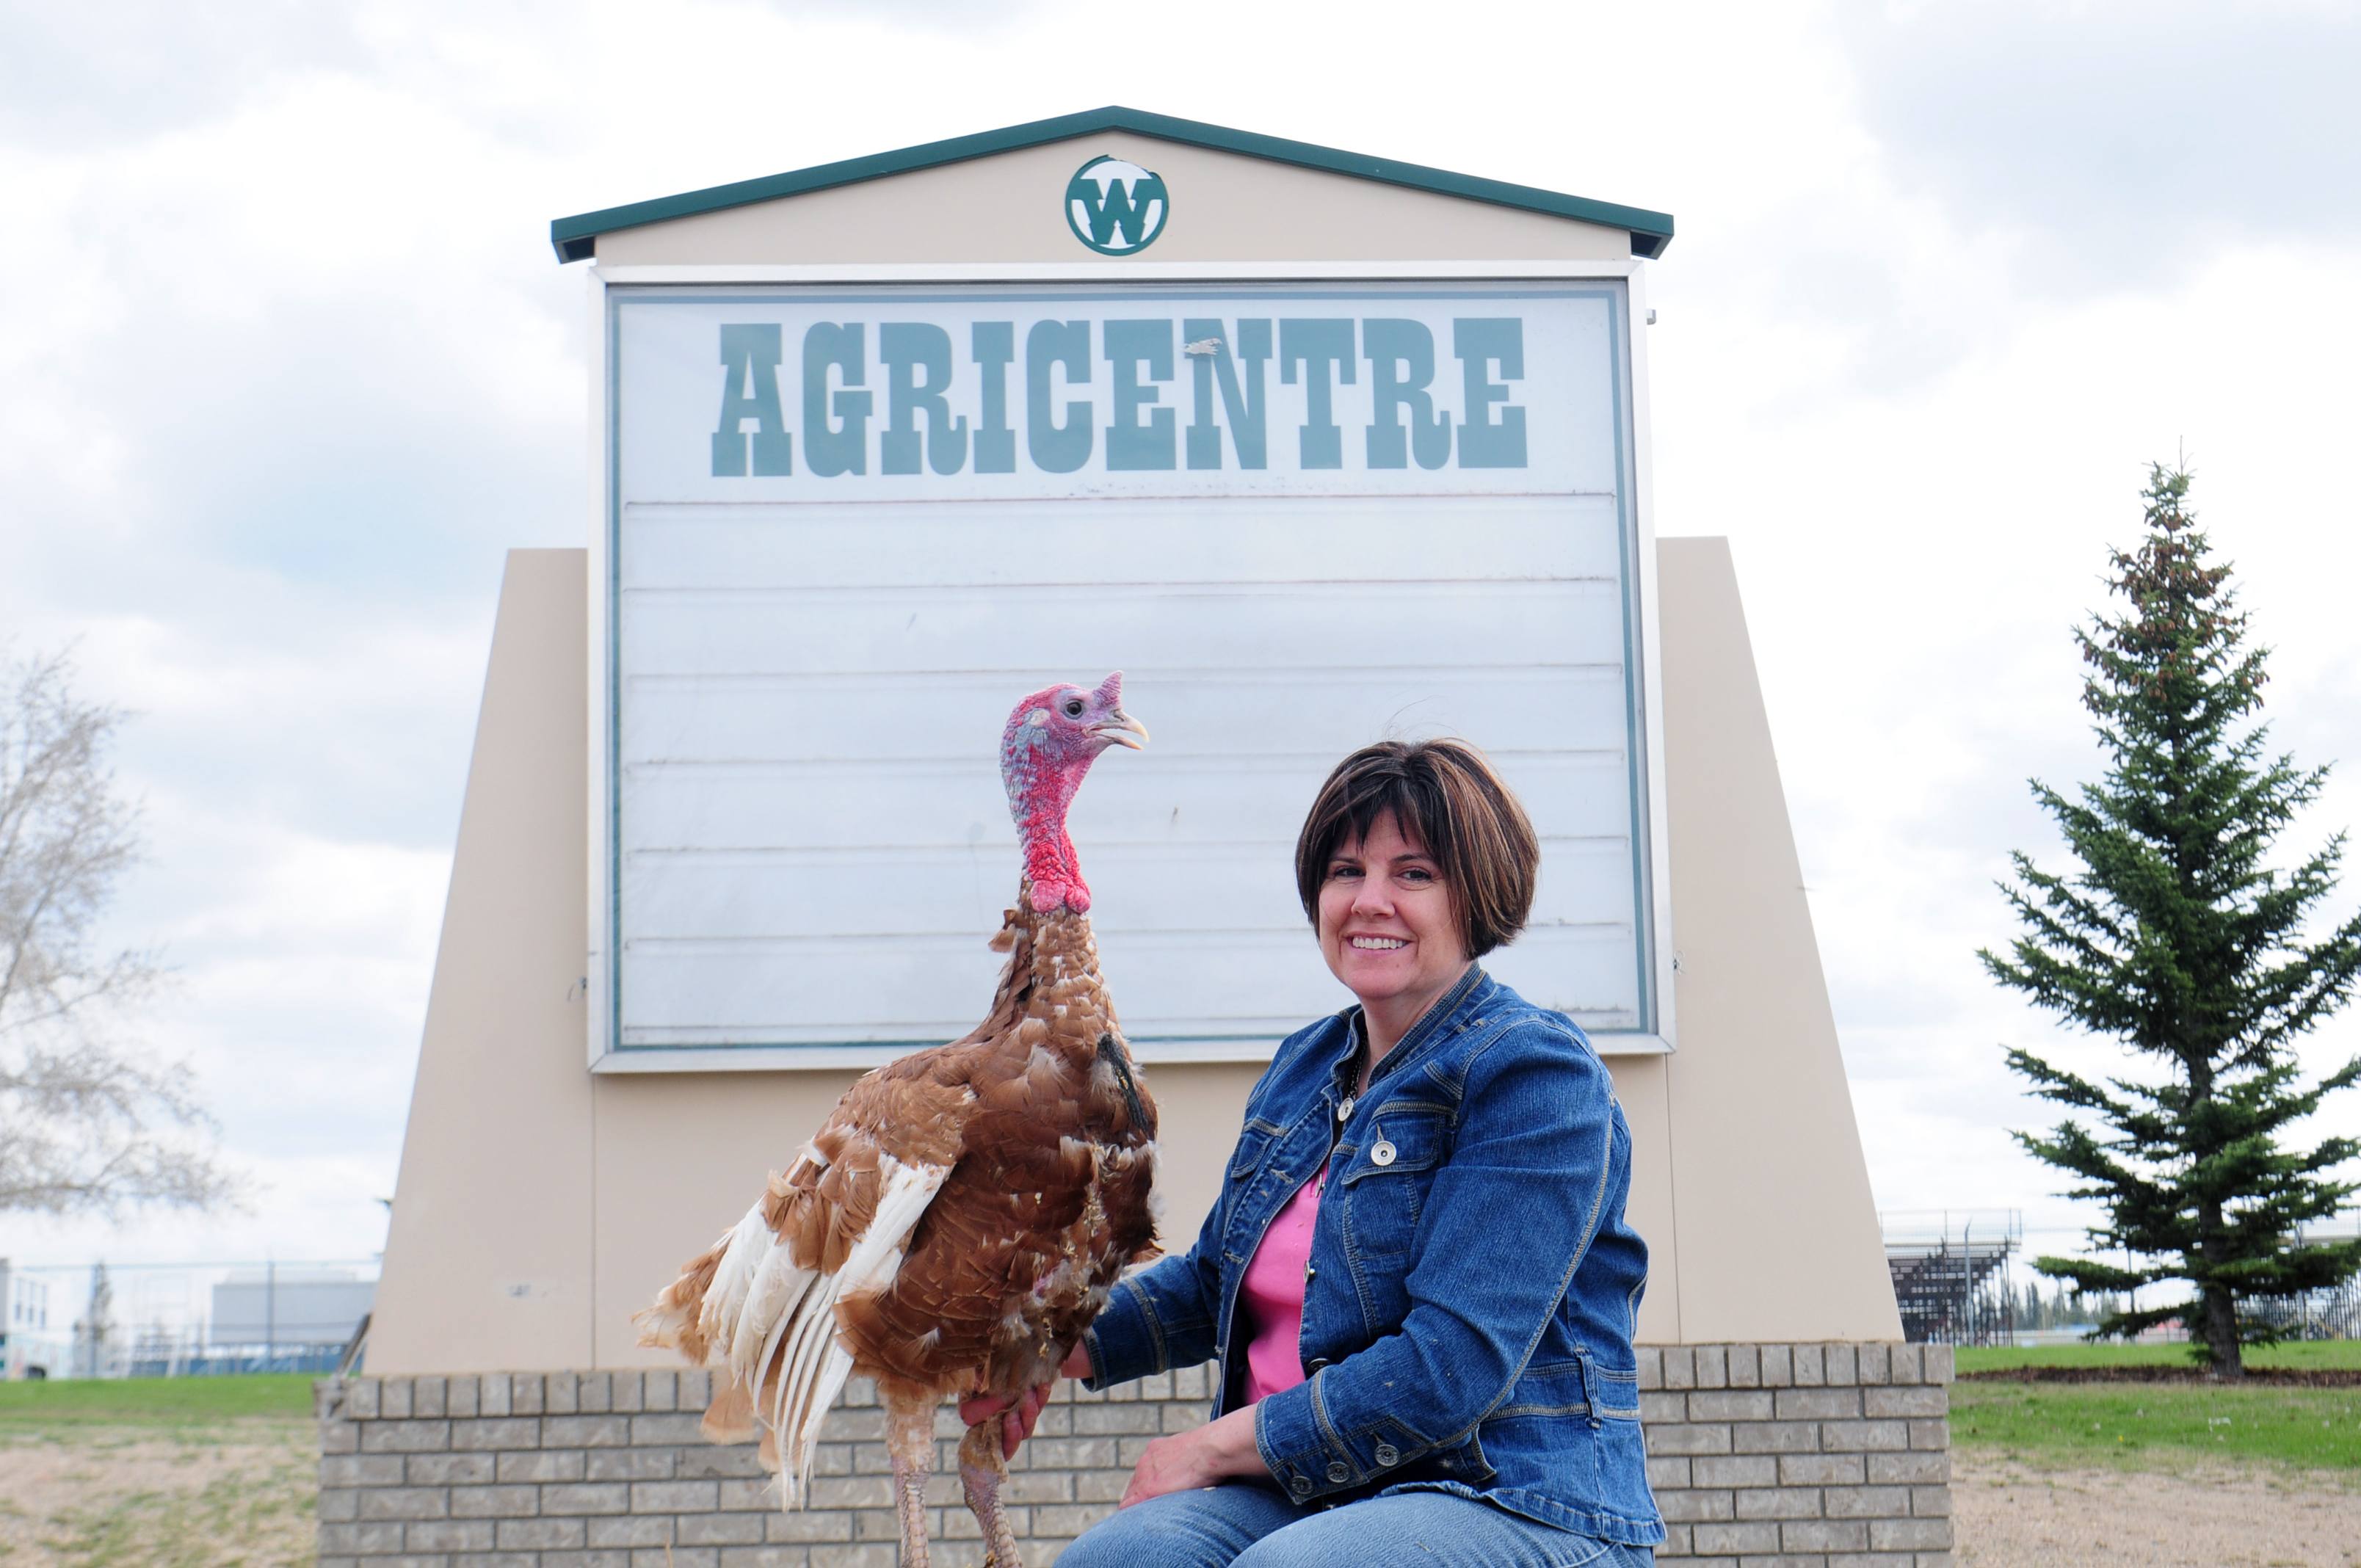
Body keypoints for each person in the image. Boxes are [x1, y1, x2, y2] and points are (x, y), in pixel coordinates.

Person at [963, 738, 1663, 1567]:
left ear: (1478, 895)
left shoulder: (1535, 1077)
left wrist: (1209, 1448)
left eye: (1415, 874)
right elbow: (1214, 1283)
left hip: (1508, 1496)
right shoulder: (1305, 1067)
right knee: (1114, 1561)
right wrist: (1049, 1340)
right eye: (1344, 872)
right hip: (1317, 1494)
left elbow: (1450, 1365)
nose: (1370, 901)